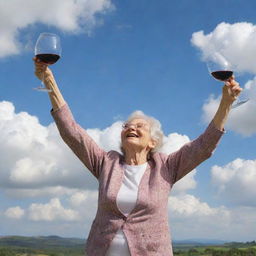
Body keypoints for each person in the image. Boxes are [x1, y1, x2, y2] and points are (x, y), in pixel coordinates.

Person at [34, 58, 242, 256]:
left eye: (139, 125)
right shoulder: (107, 163)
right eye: (127, 126)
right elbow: (72, 133)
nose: (131, 127)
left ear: (153, 142)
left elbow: (204, 146)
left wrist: (226, 103)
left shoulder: (166, 167)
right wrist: (49, 81)